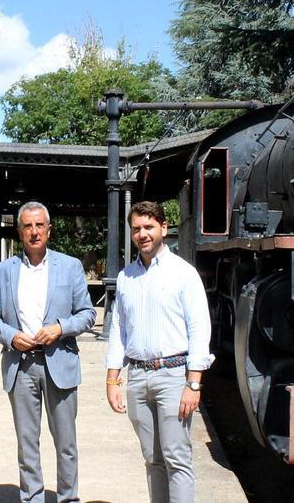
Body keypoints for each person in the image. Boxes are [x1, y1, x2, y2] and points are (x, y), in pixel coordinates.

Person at [0, 202, 96, 503]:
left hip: (59, 363)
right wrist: (11, 336)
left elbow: (87, 314)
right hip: (20, 366)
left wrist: (60, 327)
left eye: (39, 225)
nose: (34, 232)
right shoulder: (2, 271)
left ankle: (68, 498)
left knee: (66, 443)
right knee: (27, 443)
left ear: (49, 229)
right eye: (27, 226)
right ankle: (31, 497)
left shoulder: (70, 266)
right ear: (19, 231)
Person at [104, 201, 214, 503]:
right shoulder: (127, 277)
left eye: (149, 227)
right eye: (136, 228)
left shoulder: (184, 273)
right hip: (138, 377)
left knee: (176, 458)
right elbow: (119, 331)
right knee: (152, 460)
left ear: (164, 228)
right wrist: (113, 379)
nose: (142, 234)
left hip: (173, 377)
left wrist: (194, 384)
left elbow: (199, 330)